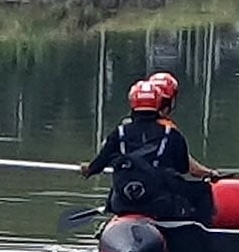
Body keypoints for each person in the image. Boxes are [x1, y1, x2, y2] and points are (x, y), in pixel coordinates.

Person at [81, 80, 214, 222]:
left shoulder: (118, 133)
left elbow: (96, 166)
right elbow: (182, 168)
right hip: (159, 204)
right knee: (203, 190)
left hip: (123, 202)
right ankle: (198, 231)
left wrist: (86, 169)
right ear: (158, 103)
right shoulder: (172, 134)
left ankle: (115, 220)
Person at [147, 71, 217, 181]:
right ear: (171, 102)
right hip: (159, 191)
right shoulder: (169, 133)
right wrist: (212, 174)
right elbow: (190, 167)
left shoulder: (124, 129)